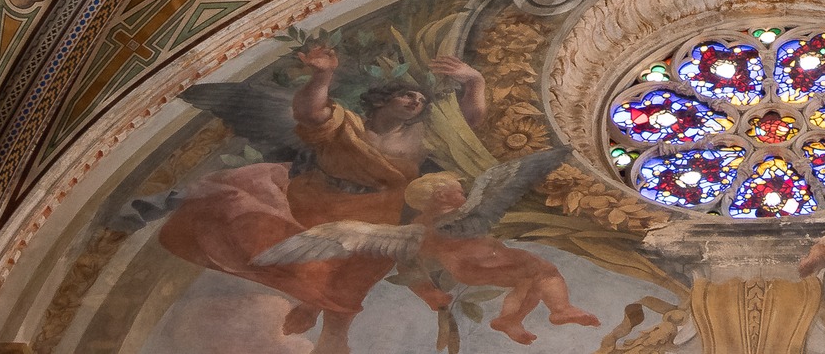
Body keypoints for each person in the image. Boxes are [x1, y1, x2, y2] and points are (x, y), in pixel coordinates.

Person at [158, 44, 487, 354]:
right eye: (407, 94)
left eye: (420, 100)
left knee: (351, 282)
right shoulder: (347, 123)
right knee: (300, 261)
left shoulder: (421, 137)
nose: (415, 101)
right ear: (382, 100)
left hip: (378, 214)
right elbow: (310, 112)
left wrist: (475, 81)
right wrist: (323, 75)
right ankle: (312, 307)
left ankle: (331, 338)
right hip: (319, 202)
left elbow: (467, 121)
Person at [254, 170, 599, 346]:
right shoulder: (426, 225)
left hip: (477, 263)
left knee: (531, 280)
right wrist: (428, 292)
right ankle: (557, 309)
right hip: (476, 262)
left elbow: (409, 262)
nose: (462, 193)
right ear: (438, 194)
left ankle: (514, 319)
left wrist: (429, 293)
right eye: (456, 190)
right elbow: (408, 263)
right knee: (541, 271)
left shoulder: (430, 224)